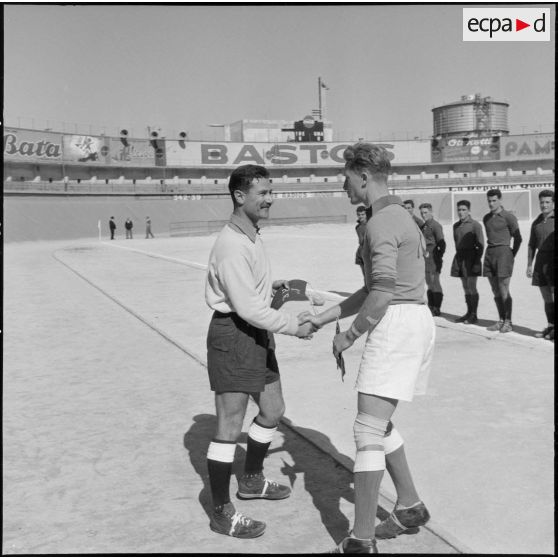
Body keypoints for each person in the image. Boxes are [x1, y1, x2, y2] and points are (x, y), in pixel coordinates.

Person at [300, 143, 434, 554]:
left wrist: (349, 335)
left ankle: (360, 540)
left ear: (362, 176)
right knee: (380, 424)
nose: (343, 186)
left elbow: (382, 294)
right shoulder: (400, 216)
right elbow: (371, 288)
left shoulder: (379, 223)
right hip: (414, 319)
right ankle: (410, 506)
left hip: (396, 322)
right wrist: (323, 318)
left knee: (366, 430)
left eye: (346, 178)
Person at [204, 164, 315, 539]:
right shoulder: (232, 245)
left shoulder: (251, 235)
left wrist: (273, 287)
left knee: (272, 409)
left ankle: (251, 480)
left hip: (255, 333)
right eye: (263, 193)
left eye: (271, 192)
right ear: (239, 196)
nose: (270, 199)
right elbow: (247, 308)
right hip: (235, 334)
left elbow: (252, 296)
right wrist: (294, 326)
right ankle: (221, 512)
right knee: (229, 425)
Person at [482, 189, 522, 333]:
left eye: (494, 200)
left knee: (503, 288)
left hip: (504, 253)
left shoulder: (509, 217)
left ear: (500, 200)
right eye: (489, 201)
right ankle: (501, 320)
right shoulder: (486, 218)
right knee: (495, 289)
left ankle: (508, 322)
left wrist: (511, 254)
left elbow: (518, 238)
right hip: (490, 253)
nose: (491, 203)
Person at [527, 190, 554, 340]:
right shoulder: (536, 222)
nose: (544, 205)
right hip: (540, 262)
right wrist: (529, 264)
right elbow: (531, 245)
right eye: (542, 202)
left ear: (553, 203)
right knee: (546, 297)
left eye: (547, 202)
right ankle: (550, 327)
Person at [450, 200, 484, 324]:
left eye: (464, 210)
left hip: (471, 258)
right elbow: (456, 242)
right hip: (460, 258)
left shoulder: (475, 225)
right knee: (465, 287)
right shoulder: (455, 226)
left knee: (471, 286)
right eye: (459, 210)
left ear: (469, 211)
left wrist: (476, 262)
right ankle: (468, 312)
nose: (461, 212)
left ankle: (474, 314)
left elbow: (481, 245)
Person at [419, 203, 446, 316]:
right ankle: (431, 305)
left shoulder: (435, 225)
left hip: (433, 256)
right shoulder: (424, 226)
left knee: (435, 281)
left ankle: (437, 307)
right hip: (425, 257)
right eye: (421, 213)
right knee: (429, 282)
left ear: (431, 212)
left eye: (425, 212)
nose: (423, 215)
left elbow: (442, 243)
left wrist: (437, 256)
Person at [355, 205, 368, 279]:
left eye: (363, 214)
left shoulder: (370, 225)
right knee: (365, 275)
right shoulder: (357, 227)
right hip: (361, 251)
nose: (360, 216)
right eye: (359, 215)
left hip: (368, 251)